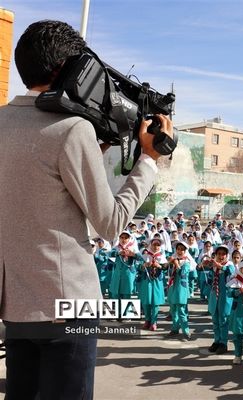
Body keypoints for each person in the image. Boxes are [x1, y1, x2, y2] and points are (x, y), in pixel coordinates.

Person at [0, 20, 173, 399]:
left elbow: (43, 186)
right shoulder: (70, 129)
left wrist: (102, 146)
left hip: (15, 308)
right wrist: (148, 159)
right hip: (68, 308)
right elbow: (110, 223)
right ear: (71, 68)